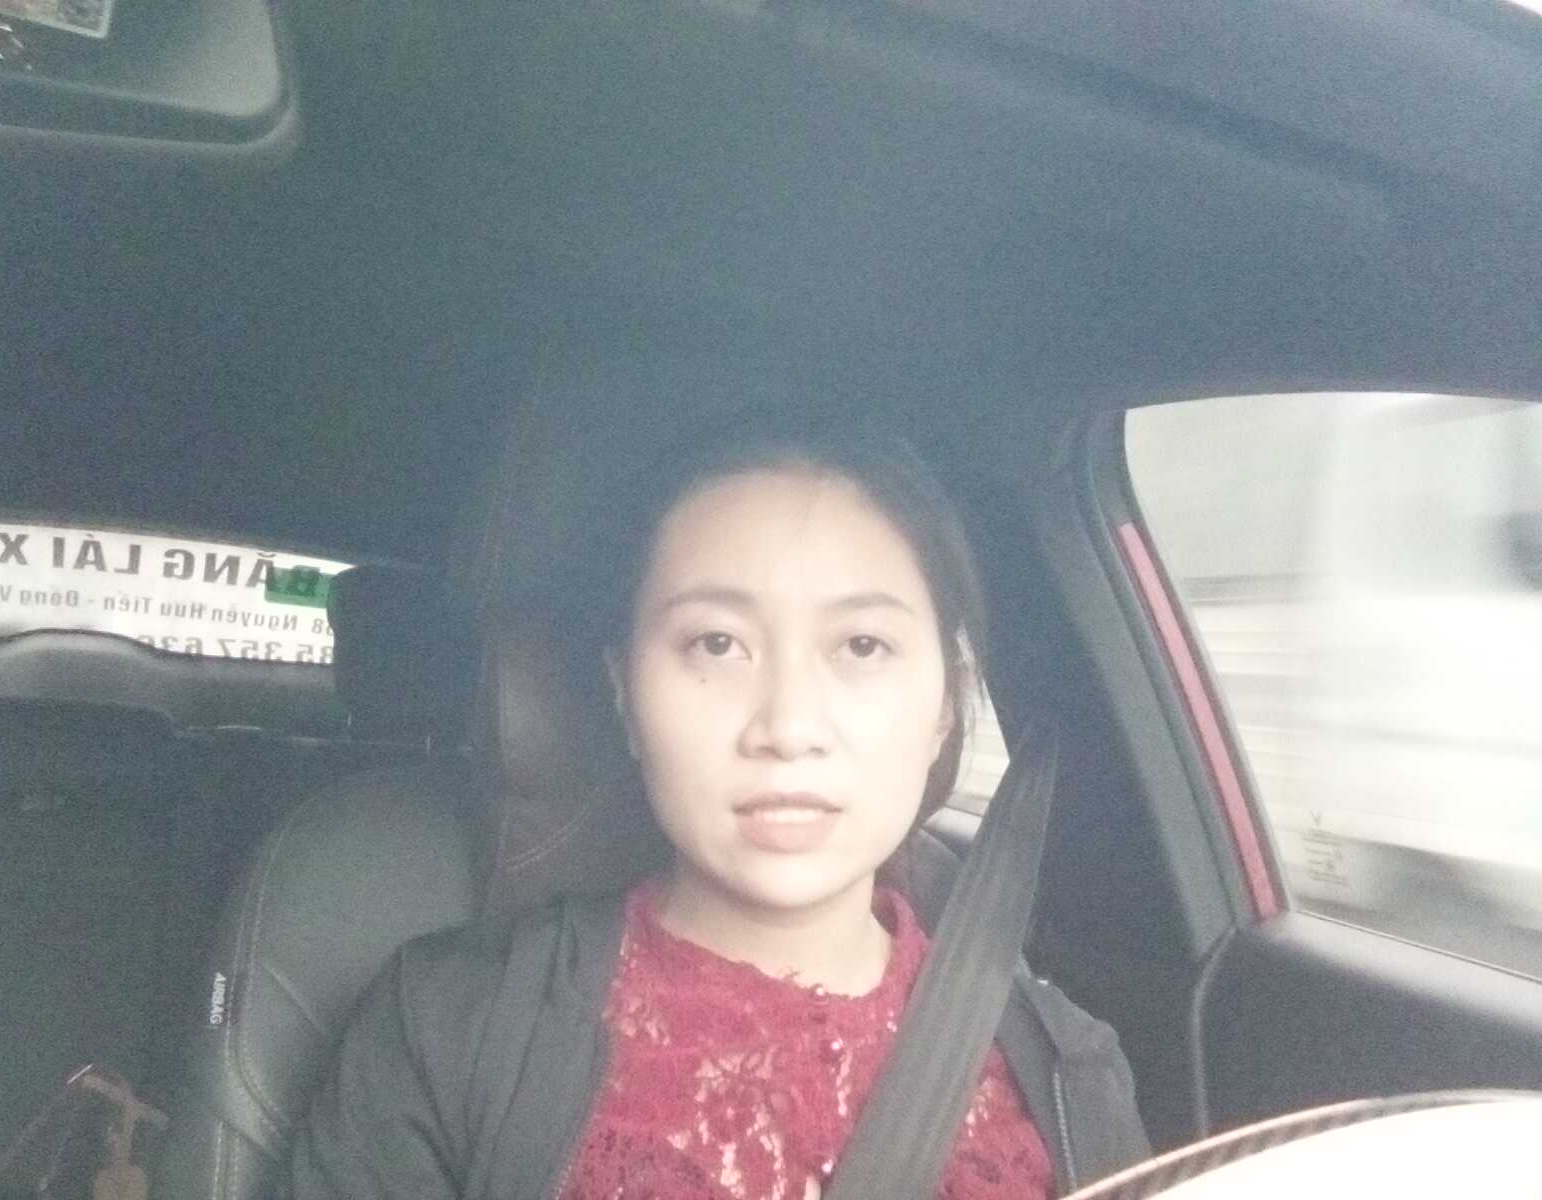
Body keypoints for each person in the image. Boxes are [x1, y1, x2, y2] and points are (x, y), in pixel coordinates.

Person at [289, 426, 1150, 1199]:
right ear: (625, 695)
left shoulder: (1066, 1071)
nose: (788, 726)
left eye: (862, 645)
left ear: (944, 709)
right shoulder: (447, 1027)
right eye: (717, 643)